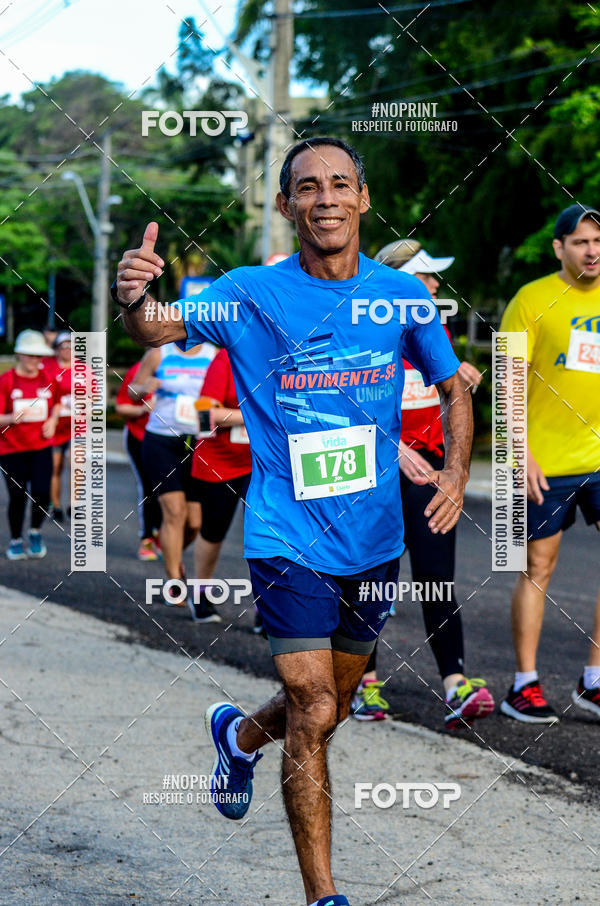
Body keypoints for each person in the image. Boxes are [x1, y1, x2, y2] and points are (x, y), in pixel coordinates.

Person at [114, 137, 472, 906]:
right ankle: (323, 896)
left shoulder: (400, 296)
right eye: (307, 187)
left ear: (363, 199)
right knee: (314, 706)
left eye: (340, 184)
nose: (326, 198)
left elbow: (454, 388)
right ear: (285, 205)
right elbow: (155, 330)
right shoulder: (249, 292)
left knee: (330, 706)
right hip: (286, 533)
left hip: (374, 538)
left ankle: (239, 737)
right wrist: (135, 297)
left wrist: (456, 473)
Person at [350, 240, 494, 728]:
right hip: (372, 473)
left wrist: (457, 382)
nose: (434, 284)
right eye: (424, 275)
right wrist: (394, 448)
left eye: (434, 276)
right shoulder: (364, 330)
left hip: (429, 474)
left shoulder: (435, 330)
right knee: (370, 581)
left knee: (436, 579)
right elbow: (343, 405)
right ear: (394, 280)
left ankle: (456, 684)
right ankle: (364, 684)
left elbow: (448, 397)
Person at [499, 204, 600, 723]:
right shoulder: (531, 299)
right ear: (559, 247)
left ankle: (593, 679)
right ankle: (524, 685)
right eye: (581, 242)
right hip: (543, 460)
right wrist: (520, 453)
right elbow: (507, 379)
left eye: (598, 241)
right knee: (538, 567)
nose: (592, 251)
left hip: (597, 456)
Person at [128, 342, 217, 589]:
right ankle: (174, 581)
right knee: (174, 512)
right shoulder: (159, 353)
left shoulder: (213, 355)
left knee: (195, 522)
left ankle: (171, 552)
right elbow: (132, 391)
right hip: (161, 440)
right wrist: (144, 388)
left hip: (199, 442)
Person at [187, 348, 252, 623]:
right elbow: (207, 414)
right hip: (220, 461)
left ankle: (268, 610)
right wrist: (255, 415)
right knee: (213, 531)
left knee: (266, 537)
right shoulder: (226, 357)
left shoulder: (279, 356)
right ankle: (200, 593)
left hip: (263, 463)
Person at [0, 330, 60, 559]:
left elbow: (56, 403)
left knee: (42, 493)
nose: (35, 360)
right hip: (11, 449)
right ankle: (16, 540)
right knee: (18, 496)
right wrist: (10, 418)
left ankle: (35, 531)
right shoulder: (6, 381)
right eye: (30, 355)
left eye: (38, 355)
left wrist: (53, 421)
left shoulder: (47, 378)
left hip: (41, 447)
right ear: (19, 354)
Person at [115, 360, 162, 561]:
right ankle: (147, 538)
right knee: (149, 487)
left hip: (172, 441)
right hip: (139, 437)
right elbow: (121, 407)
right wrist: (143, 409)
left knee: (171, 490)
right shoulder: (138, 370)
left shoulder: (189, 367)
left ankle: (162, 533)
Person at [43, 331, 73, 522]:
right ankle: (56, 505)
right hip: (55, 426)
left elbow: (94, 396)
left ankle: (74, 505)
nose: (67, 350)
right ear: (56, 349)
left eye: (70, 346)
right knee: (55, 467)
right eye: (63, 346)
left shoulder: (83, 370)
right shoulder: (48, 368)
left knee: (76, 465)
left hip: (76, 426)